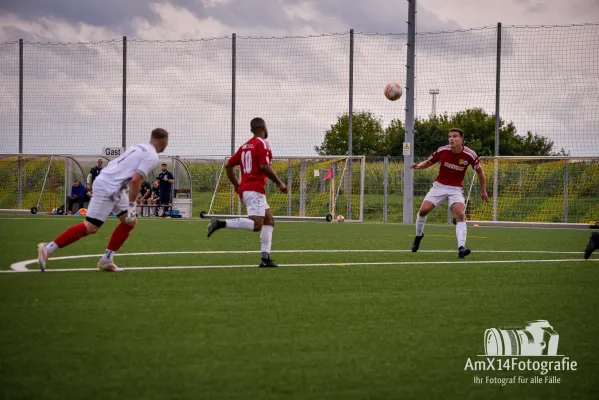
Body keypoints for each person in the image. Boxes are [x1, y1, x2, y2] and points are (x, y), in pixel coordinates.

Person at [37, 128, 169, 272]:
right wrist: (132, 205)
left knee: (129, 222)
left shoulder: (138, 147)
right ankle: (48, 248)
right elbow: (136, 180)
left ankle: (107, 259)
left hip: (114, 185)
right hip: (108, 186)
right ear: (164, 142)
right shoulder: (152, 156)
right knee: (91, 227)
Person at [207, 117, 287, 268]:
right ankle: (220, 223)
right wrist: (279, 183)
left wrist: (238, 186)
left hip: (248, 190)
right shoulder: (262, 143)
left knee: (269, 220)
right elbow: (264, 166)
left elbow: (229, 165)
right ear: (263, 127)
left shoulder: (245, 146)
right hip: (254, 189)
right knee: (257, 225)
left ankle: (265, 258)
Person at [410, 127, 488, 258]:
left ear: (461, 139)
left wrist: (483, 190)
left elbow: (480, 171)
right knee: (423, 211)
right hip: (439, 187)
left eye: (455, 136)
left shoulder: (470, 154)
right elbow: (429, 162)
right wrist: (418, 166)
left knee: (460, 214)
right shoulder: (443, 150)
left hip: (455, 189)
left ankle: (461, 248)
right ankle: (418, 236)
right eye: (450, 136)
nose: (451, 139)